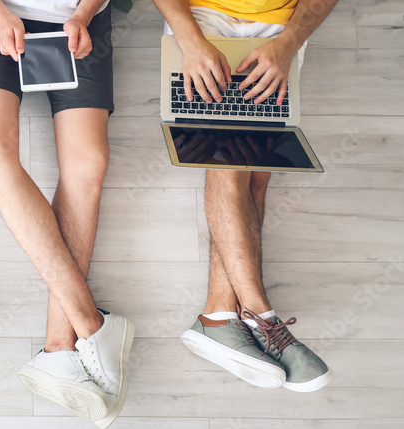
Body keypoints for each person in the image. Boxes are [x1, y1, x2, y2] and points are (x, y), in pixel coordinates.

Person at [0, 0, 132, 426]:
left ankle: (60, 347)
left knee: (88, 164)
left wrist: (84, 14)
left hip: (81, 17)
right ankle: (92, 324)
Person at [153, 0, 336, 392]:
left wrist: (289, 43)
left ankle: (218, 317)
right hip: (203, 15)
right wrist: (189, 38)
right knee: (230, 153)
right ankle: (260, 317)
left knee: (257, 169)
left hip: (280, 27)